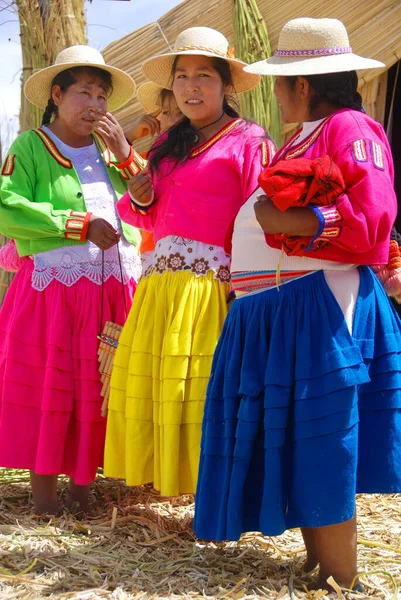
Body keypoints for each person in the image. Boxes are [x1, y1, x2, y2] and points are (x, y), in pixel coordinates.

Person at [194, 18, 401, 593]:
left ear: (301, 85)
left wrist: (301, 222)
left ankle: (342, 579)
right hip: (281, 308)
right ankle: (319, 565)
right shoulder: (304, 136)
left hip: (316, 306)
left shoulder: (350, 128)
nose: (277, 92)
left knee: (322, 437)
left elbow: (372, 215)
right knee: (305, 440)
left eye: (281, 82)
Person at [104, 26, 275, 497]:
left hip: (214, 289)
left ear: (225, 85)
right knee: (166, 386)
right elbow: (152, 214)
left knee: (204, 390)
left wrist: (244, 290)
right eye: (182, 77)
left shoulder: (249, 142)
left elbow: (261, 219)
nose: (191, 87)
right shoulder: (166, 145)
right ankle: (171, 481)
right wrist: (140, 198)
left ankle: (215, 491)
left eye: (204, 75)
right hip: (162, 286)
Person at [0, 45, 145, 515]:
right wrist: (76, 224)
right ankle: (43, 498)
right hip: (55, 293)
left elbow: (152, 197)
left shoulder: (111, 152)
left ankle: (84, 492)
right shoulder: (30, 146)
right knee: (51, 385)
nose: (96, 106)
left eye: (103, 96)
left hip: (111, 292)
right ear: (57, 96)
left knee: (94, 387)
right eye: (84, 93)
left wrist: (126, 155)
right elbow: (7, 205)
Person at [127, 82, 185, 268]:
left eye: (180, 112)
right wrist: (130, 137)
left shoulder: (205, 158)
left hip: (195, 255)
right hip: (152, 252)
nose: (171, 120)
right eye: (165, 113)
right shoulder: (148, 161)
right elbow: (104, 164)